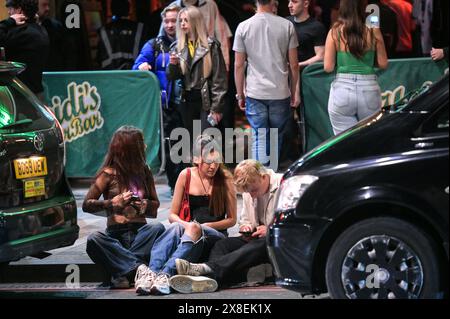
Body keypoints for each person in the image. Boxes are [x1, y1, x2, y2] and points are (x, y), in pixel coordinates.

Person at [133, 135, 237, 295]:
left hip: (215, 234)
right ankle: (151, 274)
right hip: (190, 231)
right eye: (209, 161)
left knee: (192, 227)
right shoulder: (185, 175)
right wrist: (188, 225)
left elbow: (232, 220)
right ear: (196, 159)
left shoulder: (225, 178)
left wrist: (206, 226)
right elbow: (172, 215)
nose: (213, 166)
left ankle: (165, 274)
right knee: (174, 226)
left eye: (216, 161)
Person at [169, 159, 282, 293]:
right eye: (247, 192)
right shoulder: (249, 189)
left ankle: (206, 271)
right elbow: (245, 219)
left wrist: (270, 230)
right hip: (256, 236)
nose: (251, 195)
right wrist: (246, 226)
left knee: (263, 242)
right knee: (222, 245)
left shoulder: (283, 186)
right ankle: (211, 278)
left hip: (277, 239)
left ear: (263, 177)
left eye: (254, 190)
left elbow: (294, 224)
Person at [83, 126, 165, 289]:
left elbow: (155, 206)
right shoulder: (108, 173)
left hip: (140, 233)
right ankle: (138, 269)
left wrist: (144, 205)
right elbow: (86, 204)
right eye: (141, 143)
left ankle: (122, 272)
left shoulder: (145, 171)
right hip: (116, 236)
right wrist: (112, 204)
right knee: (94, 239)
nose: (145, 147)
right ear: (130, 149)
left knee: (158, 228)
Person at [234, 0, 300, 169]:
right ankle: (269, 180)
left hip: (255, 92)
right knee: (276, 137)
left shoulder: (243, 27)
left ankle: (259, 183)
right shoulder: (287, 26)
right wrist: (294, 92)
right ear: (273, 3)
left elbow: (239, 65)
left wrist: (240, 93)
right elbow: (293, 65)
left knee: (260, 137)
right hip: (280, 91)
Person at [133, 4, 183, 195]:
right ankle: (174, 185)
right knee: (170, 145)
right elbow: (137, 65)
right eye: (167, 21)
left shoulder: (192, 42)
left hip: (188, 103)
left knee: (190, 144)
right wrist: (142, 67)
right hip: (166, 106)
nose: (170, 25)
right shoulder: (154, 45)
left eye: (174, 20)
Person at [324, 0, 388, 136]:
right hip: (369, 89)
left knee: (344, 143)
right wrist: (367, 61)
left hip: (342, 91)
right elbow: (383, 63)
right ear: (363, 8)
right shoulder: (373, 30)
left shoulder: (334, 32)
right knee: (370, 140)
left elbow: (328, 67)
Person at [167, 5, 228, 144]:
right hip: (186, 101)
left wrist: (217, 108)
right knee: (190, 143)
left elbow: (220, 79)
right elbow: (171, 77)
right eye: (181, 20)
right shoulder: (177, 47)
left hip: (205, 101)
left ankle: (210, 166)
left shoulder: (211, 46)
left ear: (195, 22)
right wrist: (173, 65)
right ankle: (193, 166)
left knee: (205, 142)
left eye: (186, 20)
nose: (182, 24)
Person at [162, 0, 233, 71]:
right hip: (182, 55)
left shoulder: (210, 5)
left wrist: (225, 64)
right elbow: (161, 38)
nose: (183, 23)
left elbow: (221, 36)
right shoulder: (173, 6)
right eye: (180, 21)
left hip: (206, 54)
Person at [0, 0, 49, 99]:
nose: (9, 13)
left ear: (19, 10)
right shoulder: (41, 30)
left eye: (10, 9)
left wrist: (10, 21)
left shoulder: (20, 33)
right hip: (35, 92)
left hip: (19, 95)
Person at [97, 0, 146, 69]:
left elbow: (99, 57)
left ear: (112, 10)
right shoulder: (140, 28)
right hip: (134, 73)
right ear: (128, 10)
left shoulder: (103, 30)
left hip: (109, 74)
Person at [287, 0, 327, 70]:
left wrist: (297, 66)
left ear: (306, 4)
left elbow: (321, 56)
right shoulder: (286, 23)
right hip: (285, 73)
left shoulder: (316, 27)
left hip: (305, 73)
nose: (289, 5)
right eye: (289, 1)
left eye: (294, 2)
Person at [37, 0, 66, 71]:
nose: (47, 8)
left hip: (53, 71)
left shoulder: (56, 26)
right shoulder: (23, 26)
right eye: (44, 5)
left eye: (48, 5)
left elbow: (65, 52)